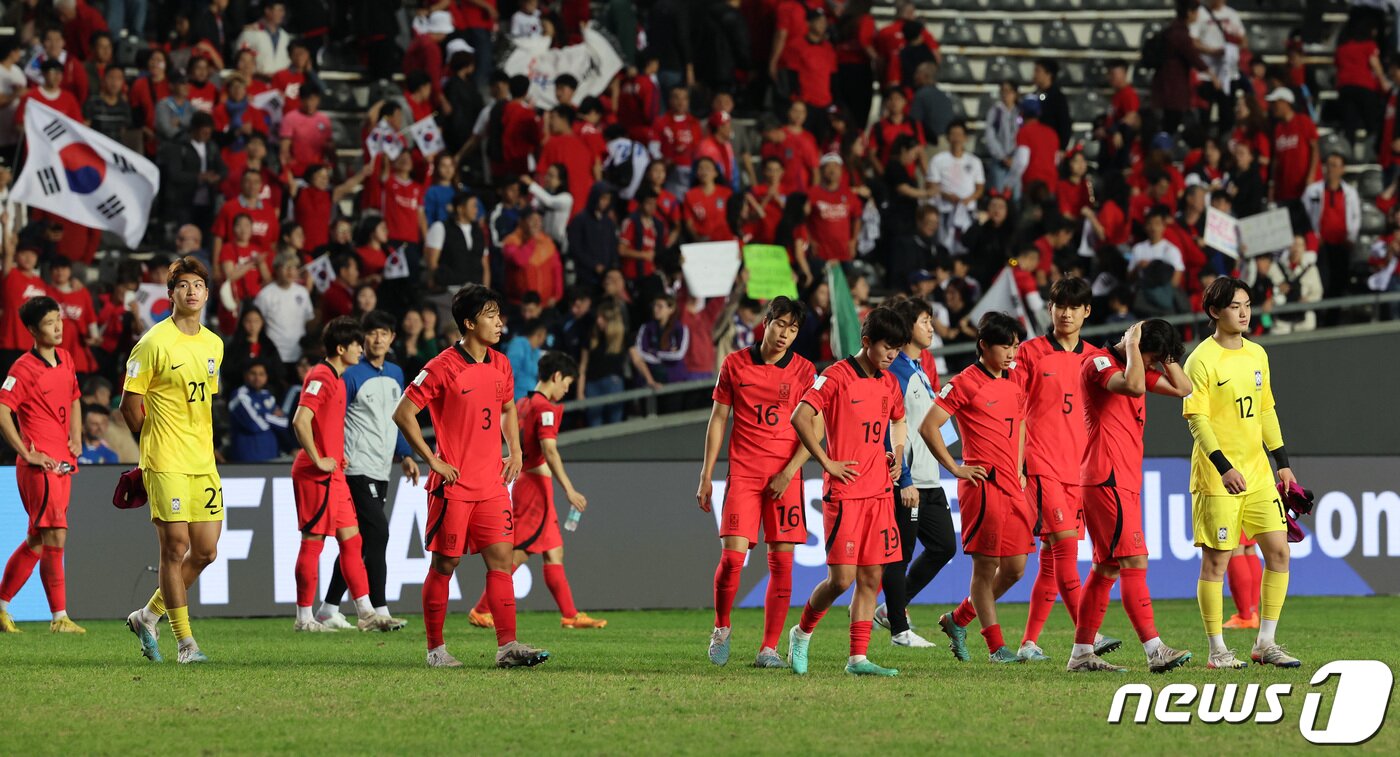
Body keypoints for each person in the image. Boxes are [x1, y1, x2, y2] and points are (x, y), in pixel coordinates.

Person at [394, 284, 551, 669]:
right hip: (454, 487)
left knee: (501, 562)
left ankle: (507, 646)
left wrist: (514, 451)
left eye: (499, 314)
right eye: (490, 314)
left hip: (492, 486)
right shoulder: (442, 366)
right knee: (445, 566)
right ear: (469, 322)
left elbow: (508, 409)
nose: (500, 322)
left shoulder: (501, 363)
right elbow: (403, 413)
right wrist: (433, 459)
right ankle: (436, 650)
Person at [1184, 277, 1302, 669]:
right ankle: (1217, 650)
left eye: (1247, 304)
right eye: (1235, 306)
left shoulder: (1257, 355)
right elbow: (1197, 420)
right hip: (1218, 477)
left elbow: (1266, 410)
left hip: (1258, 473)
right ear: (1215, 311)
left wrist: (1282, 464)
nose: (1244, 312)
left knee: (1279, 552)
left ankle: (1265, 643)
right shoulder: (1200, 360)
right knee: (1216, 562)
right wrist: (1223, 467)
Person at [1064, 319, 1195, 673]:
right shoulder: (1099, 363)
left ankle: (1081, 653)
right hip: (1106, 477)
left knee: (1105, 567)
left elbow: (1184, 388)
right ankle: (1155, 651)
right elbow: (1134, 386)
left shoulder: (1138, 364)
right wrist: (1135, 346)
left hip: (1120, 479)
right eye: (1154, 358)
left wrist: (1163, 355)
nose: (1154, 366)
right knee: (1134, 562)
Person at [786, 306, 910, 677]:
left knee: (872, 578)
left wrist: (898, 454)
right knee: (842, 579)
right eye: (887, 347)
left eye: (898, 350)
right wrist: (826, 461)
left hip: (879, 493)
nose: (892, 356)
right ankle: (801, 632)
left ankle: (857, 658)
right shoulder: (836, 376)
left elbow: (899, 419)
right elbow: (799, 417)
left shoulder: (889, 381)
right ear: (866, 341)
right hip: (845, 494)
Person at [696, 298, 814, 668]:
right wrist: (706, 474)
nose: (785, 335)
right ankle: (722, 627)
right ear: (766, 323)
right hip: (744, 473)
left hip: (785, 478)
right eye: (780, 325)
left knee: (783, 565)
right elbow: (718, 420)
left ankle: (768, 648)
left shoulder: (805, 371)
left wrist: (790, 469)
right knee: (732, 559)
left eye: (793, 329)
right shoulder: (734, 364)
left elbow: (815, 428)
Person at [1010, 278, 1123, 663]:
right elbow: (1014, 409)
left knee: (1048, 556)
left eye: (1075, 307)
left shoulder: (1096, 359)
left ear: (1087, 312)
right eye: (1060, 305)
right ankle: (1086, 636)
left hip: (1082, 471)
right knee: (1064, 550)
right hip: (1042, 465)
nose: (1066, 313)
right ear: (1050, 308)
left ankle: (1025, 642)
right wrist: (1018, 461)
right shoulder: (1030, 353)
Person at [121, 257, 225, 664]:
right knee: (175, 547)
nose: (192, 291)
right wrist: (153, 445)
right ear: (171, 293)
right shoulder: (152, 343)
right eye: (183, 285)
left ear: (207, 292)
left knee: (205, 551)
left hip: (202, 460)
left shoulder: (213, 343)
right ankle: (186, 644)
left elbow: (202, 403)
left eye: (199, 284)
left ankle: (147, 616)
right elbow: (130, 407)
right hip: (165, 459)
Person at [917, 312, 1031, 664]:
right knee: (985, 569)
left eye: (1015, 345)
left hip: (1013, 485)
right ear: (984, 346)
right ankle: (997, 647)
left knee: (1015, 569)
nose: (1012, 353)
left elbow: (1021, 421)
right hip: (983, 486)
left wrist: (1020, 465)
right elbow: (929, 425)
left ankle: (958, 619)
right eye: (1005, 346)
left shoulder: (1015, 379)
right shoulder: (966, 381)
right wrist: (955, 467)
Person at [468, 351, 608, 630]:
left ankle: (570, 614)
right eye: (566, 382)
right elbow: (550, 451)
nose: (567, 389)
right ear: (556, 376)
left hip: (528, 484)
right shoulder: (544, 408)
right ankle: (481, 609)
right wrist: (569, 489)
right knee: (518, 552)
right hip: (535, 489)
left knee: (554, 551)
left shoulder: (523, 402)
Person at [287, 317, 399, 633]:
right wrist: (318, 458)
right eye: (355, 346)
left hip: (335, 474)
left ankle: (365, 611)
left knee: (353, 541)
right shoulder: (321, 375)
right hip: (315, 475)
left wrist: (336, 454)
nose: (360, 351)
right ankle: (304, 619)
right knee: (313, 542)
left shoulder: (338, 378)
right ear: (341, 348)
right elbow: (301, 419)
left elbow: (324, 424)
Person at [314, 311, 419, 630]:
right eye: (371, 333)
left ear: (392, 338)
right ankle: (378, 609)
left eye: (383, 333)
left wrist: (405, 454)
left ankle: (328, 609)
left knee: (355, 542)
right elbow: (333, 417)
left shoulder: (397, 373)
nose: (376, 339)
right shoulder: (349, 374)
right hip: (354, 468)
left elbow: (398, 416)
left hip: (381, 467)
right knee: (379, 533)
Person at [874, 298, 956, 649]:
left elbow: (932, 423)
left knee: (944, 546)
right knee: (899, 554)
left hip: (930, 479)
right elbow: (891, 430)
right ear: (908, 328)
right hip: (908, 482)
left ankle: (890, 609)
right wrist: (903, 478)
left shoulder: (919, 369)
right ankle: (899, 628)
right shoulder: (897, 373)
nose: (931, 327)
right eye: (925, 321)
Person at [0, 297, 84, 634]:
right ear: (34, 330)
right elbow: (3, 411)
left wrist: (76, 437)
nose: (58, 326)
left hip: (63, 463)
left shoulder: (65, 358)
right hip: (41, 466)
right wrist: (26, 451)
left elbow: (75, 398)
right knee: (55, 536)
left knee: (38, 540)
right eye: (50, 322)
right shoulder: (22, 369)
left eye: (58, 320)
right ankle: (59, 617)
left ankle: (2, 606)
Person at [1302, 152, 1361, 299]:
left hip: (1341, 245)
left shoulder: (1350, 193)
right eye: (1328, 165)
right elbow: (1304, 215)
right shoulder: (1313, 190)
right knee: (1322, 281)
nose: (1330, 169)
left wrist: (1351, 238)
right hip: (1321, 245)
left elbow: (1356, 217)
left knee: (1339, 282)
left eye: (1335, 165)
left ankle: (1334, 317)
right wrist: (1314, 238)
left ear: (1342, 169)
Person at [227, 359, 288, 463]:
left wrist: (262, 415)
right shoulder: (239, 396)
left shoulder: (267, 395)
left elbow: (284, 423)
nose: (257, 378)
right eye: (253, 373)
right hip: (248, 458)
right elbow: (255, 424)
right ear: (245, 375)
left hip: (271, 455)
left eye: (261, 374)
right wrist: (270, 415)